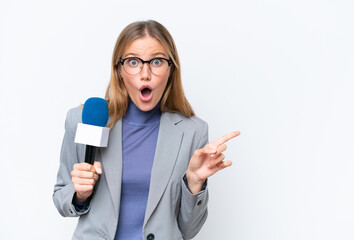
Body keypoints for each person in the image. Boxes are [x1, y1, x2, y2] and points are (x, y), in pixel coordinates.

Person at [53, 20, 240, 240]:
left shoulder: (192, 132)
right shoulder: (84, 120)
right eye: (133, 62)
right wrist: (79, 194)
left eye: (157, 61)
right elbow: (61, 199)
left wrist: (194, 183)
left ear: (171, 69)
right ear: (119, 69)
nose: (145, 74)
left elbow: (188, 231)